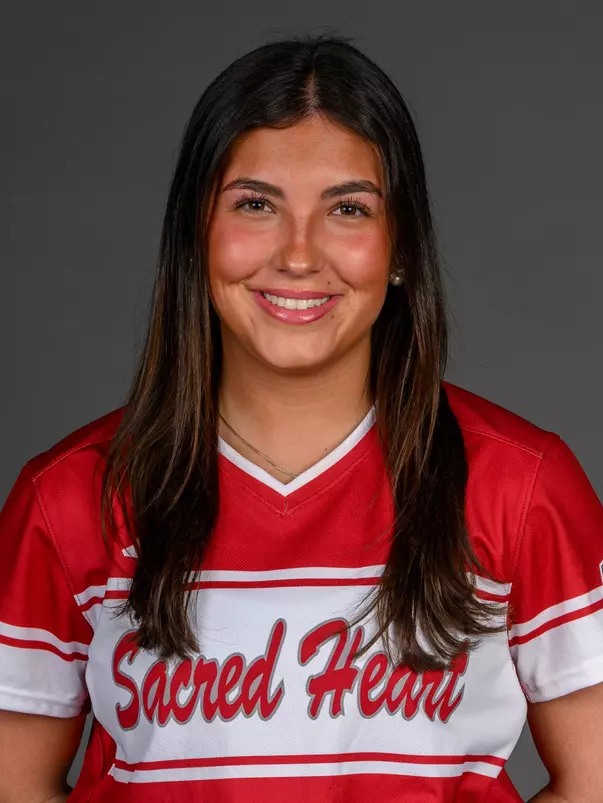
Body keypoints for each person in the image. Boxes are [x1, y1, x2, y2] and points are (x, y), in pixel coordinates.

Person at [0, 32, 602, 803]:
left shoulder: (519, 487)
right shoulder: (70, 497)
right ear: (196, 233)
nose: (297, 253)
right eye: (255, 203)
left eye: (348, 209)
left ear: (400, 248)